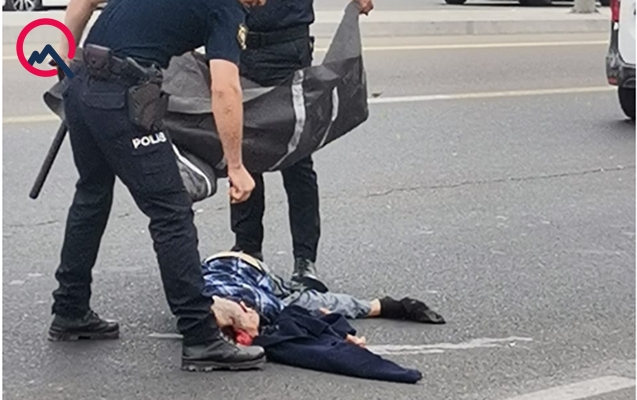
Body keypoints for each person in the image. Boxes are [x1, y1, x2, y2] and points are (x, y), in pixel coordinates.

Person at [48, 0, 269, 372]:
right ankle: (200, 337)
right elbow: (225, 89)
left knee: (91, 194)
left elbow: (81, 3)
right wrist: (236, 165)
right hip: (119, 93)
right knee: (171, 211)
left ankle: (69, 309)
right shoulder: (226, 8)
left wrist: (66, 68)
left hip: (82, 80)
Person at [230, 0, 374, 292]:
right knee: (245, 153)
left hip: (288, 49)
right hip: (238, 45)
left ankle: (305, 260)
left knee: (297, 158)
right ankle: (247, 251)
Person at [201, 251, 445, 343]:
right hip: (221, 272)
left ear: (246, 309)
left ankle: (382, 306)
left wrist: (337, 332)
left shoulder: (262, 304)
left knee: (307, 301)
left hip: (248, 269)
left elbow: (306, 317)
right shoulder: (201, 311)